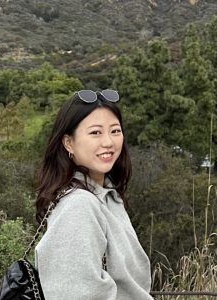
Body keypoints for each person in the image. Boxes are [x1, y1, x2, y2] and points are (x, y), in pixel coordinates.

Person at [35, 89, 154, 300]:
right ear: (68, 142)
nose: (108, 142)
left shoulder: (108, 196)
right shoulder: (79, 206)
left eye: (115, 131)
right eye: (95, 133)